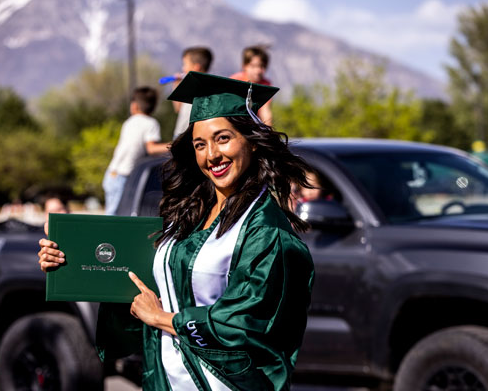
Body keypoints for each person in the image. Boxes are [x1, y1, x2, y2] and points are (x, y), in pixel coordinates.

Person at [38, 72, 315, 390]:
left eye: (223, 138)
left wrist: (161, 319)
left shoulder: (266, 233)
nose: (211, 155)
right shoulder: (189, 216)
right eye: (200, 144)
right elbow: (140, 277)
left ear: (252, 142)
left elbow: (243, 323)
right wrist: (67, 259)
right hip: (165, 380)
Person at [103, 87, 169, 215]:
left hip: (113, 173)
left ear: (134, 106)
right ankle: (106, 235)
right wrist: (173, 145)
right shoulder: (151, 123)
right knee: (115, 215)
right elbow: (151, 148)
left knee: (113, 212)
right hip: (122, 175)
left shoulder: (129, 122)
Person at [172, 46, 214, 138]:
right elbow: (178, 108)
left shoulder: (206, 88)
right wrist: (176, 84)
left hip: (192, 135)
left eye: (185, 64)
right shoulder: (186, 85)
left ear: (196, 67)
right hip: (180, 133)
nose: (183, 69)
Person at [230, 45, 273, 125]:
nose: (258, 71)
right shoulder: (235, 81)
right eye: (254, 66)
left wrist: (269, 132)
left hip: (254, 125)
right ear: (244, 66)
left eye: (262, 66)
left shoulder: (266, 84)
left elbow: (265, 112)